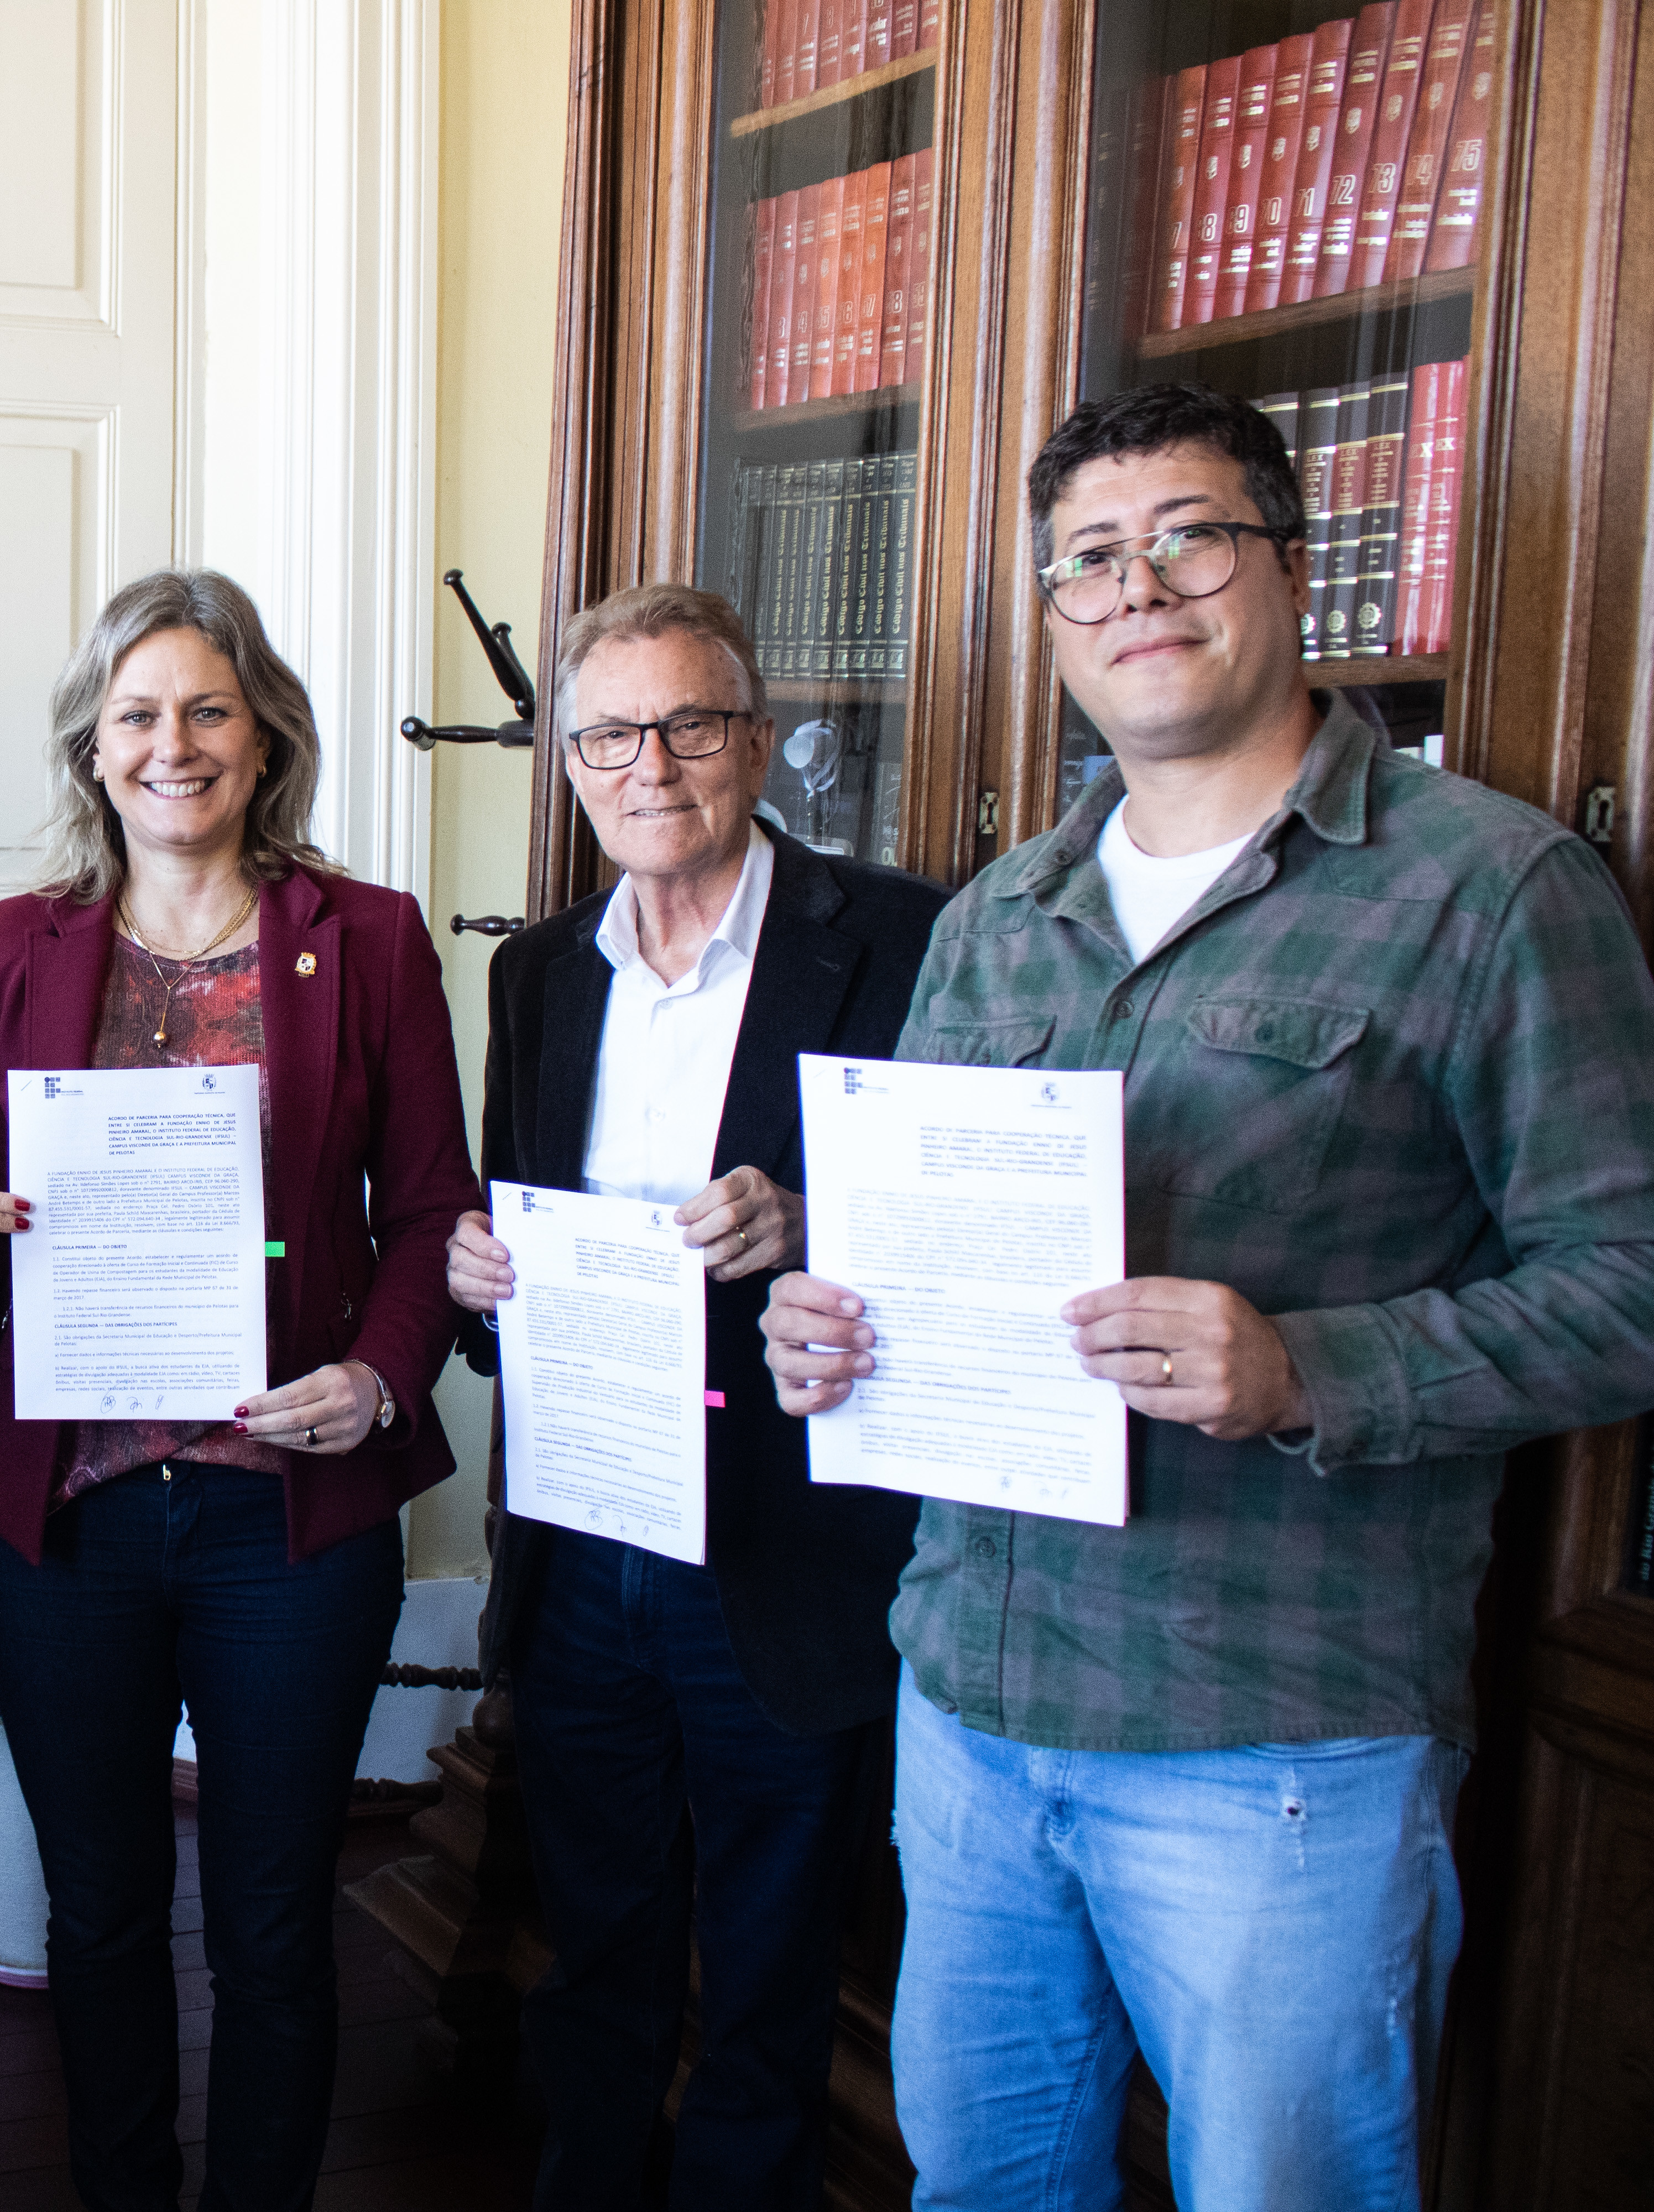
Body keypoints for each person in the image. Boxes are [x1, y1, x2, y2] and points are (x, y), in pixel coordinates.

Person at [758, 381, 1654, 2209]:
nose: (1137, 588)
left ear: (1287, 565)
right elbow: (914, 1258)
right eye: (1087, 559)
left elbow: (1644, 1284)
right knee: (984, 2189)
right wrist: (830, 1329)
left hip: (1275, 1745)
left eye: (1189, 537)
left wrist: (1307, 1370)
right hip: (974, 1706)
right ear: (1051, 618)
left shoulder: (1489, 890)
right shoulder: (996, 913)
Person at [0, 570, 478, 2212]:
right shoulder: (13, 945)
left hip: (281, 1517)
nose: (175, 744)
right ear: (95, 746)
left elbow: (432, 1206)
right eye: (140, 713)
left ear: (265, 731)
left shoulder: (362, 936)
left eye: (209, 709)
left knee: (273, 1919)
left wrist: (380, 1377)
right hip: (67, 1517)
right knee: (95, 1914)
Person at [443, 582, 945, 2208]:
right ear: (568, 760)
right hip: (589, 1537)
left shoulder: (900, 937)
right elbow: (513, 1216)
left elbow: (971, 1228)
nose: (649, 764)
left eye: (690, 724)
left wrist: (818, 1226)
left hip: (793, 1554)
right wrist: (475, 1282)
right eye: (607, 733)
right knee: (593, 1949)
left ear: (758, 740)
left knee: (772, 1974)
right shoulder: (536, 975)